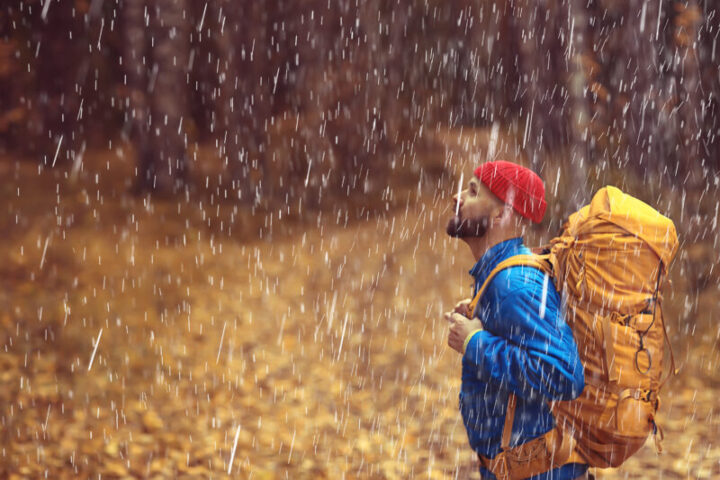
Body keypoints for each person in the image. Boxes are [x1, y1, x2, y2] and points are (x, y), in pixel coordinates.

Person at [444, 160, 587, 480]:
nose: (457, 197)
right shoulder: (501, 279)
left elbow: (564, 376)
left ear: (501, 214)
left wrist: (474, 342)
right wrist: (484, 315)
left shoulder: (514, 285)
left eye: (471, 191)